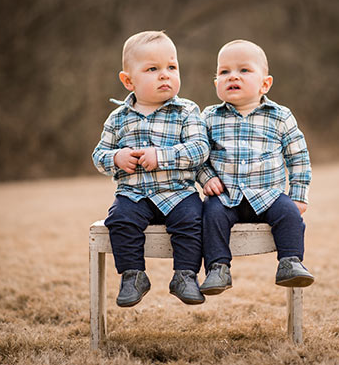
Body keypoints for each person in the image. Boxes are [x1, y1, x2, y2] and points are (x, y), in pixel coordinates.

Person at [92, 31, 209, 307]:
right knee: (120, 220)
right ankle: (133, 276)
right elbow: (99, 155)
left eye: (171, 67)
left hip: (178, 192)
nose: (164, 75)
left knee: (192, 220)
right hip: (133, 194)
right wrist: (116, 158)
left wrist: (162, 156)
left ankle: (185, 276)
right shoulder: (119, 118)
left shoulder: (187, 111)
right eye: (152, 69)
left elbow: (200, 149)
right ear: (128, 80)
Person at [197, 39, 314, 295]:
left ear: (265, 83)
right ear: (216, 82)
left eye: (244, 70)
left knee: (290, 214)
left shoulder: (280, 116)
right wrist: (206, 178)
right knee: (211, 216)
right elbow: (197, 155)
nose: (232, 77)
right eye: (224, 72)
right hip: (225, 196)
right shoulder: (208, 117)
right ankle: (218, 269)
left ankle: (290, 263)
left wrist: (298, 195)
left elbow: (298, 157)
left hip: (269, 194)